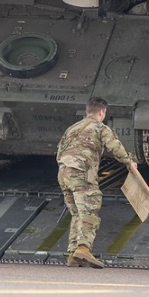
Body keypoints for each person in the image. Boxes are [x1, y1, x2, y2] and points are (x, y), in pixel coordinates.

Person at [57, 96, 138, 268]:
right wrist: (129, 163)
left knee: (77, 212)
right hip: (81, 172)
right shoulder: (100, 128)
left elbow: (59, 152)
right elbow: (115, 146)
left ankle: (72, 254)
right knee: (90, 207)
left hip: (63, 172)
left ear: (88, 111)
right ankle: (84, 248)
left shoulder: (72, 128)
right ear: (102, 112)